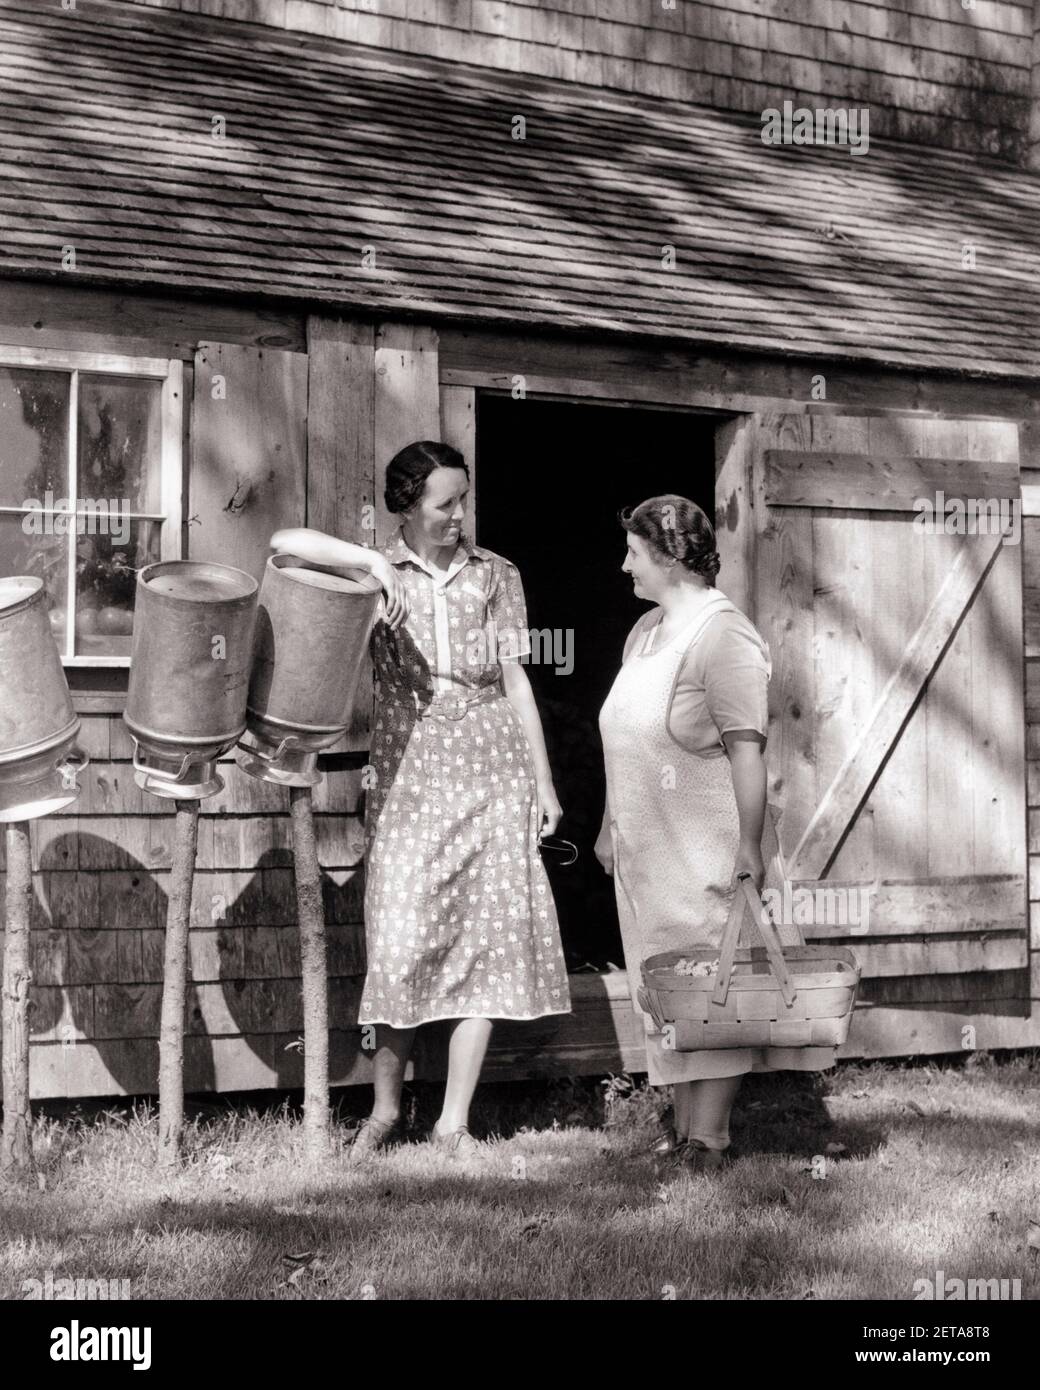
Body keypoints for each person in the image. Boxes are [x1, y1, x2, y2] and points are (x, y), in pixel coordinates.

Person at [270, 441, 570, 1160]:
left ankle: (454, 1121)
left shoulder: (497, 574)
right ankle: (384, 1111)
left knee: (487, 938)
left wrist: (545, 782)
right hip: (408, 772)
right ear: (406, 506)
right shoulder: (377, 574)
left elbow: (517, 681)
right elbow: (282, 545)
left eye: (464, 501)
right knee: (401, 937)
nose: (459, 517)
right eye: (445, 504)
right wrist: (373, 564)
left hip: (494, 766)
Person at [595, 495, 835, 1173]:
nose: (623, 566)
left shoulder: (723, 636)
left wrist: (750, 848)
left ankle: (711, 1140)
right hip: (648, 847)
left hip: (704, 844)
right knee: (665, 983)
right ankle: (682, 1132)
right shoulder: (646, 633)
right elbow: (626, 741)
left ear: (669, 558)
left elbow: (747, 748)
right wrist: (609, 824)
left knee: (713, 985)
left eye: (634, 554)